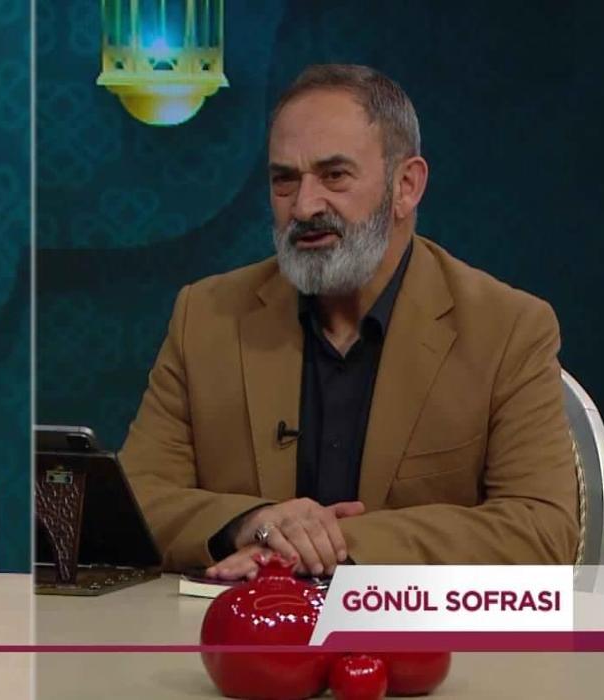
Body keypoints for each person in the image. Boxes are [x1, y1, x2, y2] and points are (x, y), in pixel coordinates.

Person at [119, 64, 578, 580]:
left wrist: (328, 545)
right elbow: (133, 501)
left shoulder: (507, 328)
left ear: (406, 186)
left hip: (415, 627)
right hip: (243, 623)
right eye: (284, 180)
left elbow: (542, 530)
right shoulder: (206, 317)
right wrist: (249, 523)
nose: (304, 206)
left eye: (334, 175)